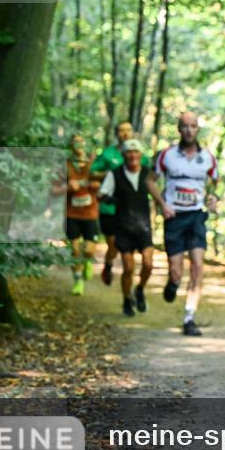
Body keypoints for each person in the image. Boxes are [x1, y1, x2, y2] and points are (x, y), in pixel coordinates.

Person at [148, 112, 219, 337]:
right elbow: (149, 181)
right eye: (185, 126)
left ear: (198, 129)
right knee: (177, 272)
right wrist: (162, 204)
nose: (189, 130)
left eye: (193, 126)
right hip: (174, 217)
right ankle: (172, 283)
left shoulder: (208, 157)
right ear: (179, 129)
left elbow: (215, 182)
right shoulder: (166, 156)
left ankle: (189, 317)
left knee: (198, 265)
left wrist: (213, 197)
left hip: (197, 216)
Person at [98, 139, 154, 317]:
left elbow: (158, 194)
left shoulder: (148, 174)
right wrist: (111, 199)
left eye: (136, 152)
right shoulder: (115, 174)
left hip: (144, 226)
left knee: (148, 264)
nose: (132, 155)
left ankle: (140, 290)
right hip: (123, 226)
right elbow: (101, 194)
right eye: (128, 152)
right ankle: (127, 300)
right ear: (123, 155)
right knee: (128, 267)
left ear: (141, 155)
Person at [90, 122, 151, 286]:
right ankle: (108, 265)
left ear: (133, 133)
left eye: (128, 130)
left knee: (123, 247)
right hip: (110, 208)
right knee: (113, 245)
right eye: (121, 131)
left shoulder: (140, 155)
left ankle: (114, 269)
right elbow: (92, 172)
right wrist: (111, 175)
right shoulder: (108, 154)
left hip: (131, 212)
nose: (124, 133)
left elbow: (149, 177)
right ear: (116, 134)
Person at [55, 134, 100, 295]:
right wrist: (68, 187)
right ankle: (78, 280)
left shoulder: (93, 164)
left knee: (88, 250)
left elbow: (106, 184)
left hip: (90, 214)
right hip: (71, 215)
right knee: (74, 250)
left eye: (82, 142)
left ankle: (87, 261)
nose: (79, 145)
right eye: (75, 142)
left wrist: (97, 186)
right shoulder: (65, 165)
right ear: (70, 146)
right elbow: (53, 191)